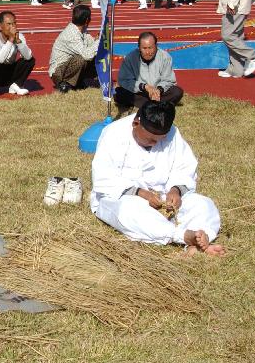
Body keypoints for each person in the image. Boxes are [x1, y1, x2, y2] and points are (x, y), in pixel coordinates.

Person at [90, 101, 225, 256]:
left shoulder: (173, 133)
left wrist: (175, 191)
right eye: (150, 139)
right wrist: (142, 193)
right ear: (135, 124)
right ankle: (182, 236)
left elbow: (184, 167)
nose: (155, 143)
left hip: (163, 197)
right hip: (125, 198)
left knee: (203, 204)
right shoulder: (113, 133)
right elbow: (103, 178)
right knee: (129, 213)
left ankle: (199, 237)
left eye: (160, 139)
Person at [114, 32, 184, 109]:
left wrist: (158, 90)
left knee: (177, 92)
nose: (147, 52)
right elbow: (124, 80)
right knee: (120, 92)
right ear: (139, 48)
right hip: (140, 91)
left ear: (156, 46)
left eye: (150, 48)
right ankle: (155, 104)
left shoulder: (165, 57)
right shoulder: (130, 58)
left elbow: (169, 80)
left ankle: (147, 104)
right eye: (144, 48)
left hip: (159, 91)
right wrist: (144, 87)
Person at [0, 11, 34, 97]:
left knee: (30, 60)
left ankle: (15, 85)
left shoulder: (19, 36)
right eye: (9, 24)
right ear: (0, 26)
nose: (12, 27)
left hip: (9, 70)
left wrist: (18, 42)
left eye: (14, 23)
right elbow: (0, 59)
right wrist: (10, 40)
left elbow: (28, 56)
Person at [48, 5, 98, 94]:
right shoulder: (72, 34)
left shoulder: (81, 30)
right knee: (82, 59)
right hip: (58, 72)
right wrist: (98, 42)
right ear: (87, 20)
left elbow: (91, 44)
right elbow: (86, 55)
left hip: (66, 66)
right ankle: (64, 83)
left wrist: (98, 40)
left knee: (95, 53)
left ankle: (78, 82)